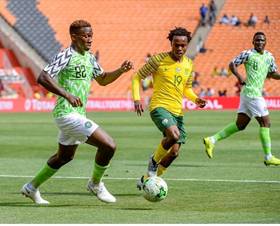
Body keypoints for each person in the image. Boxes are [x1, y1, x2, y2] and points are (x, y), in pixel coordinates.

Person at [20, 19, 133, 205]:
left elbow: (103, 79)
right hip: (66, 113)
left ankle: (31, 188)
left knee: (64, 156)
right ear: (74, 37)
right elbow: (43, 77)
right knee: (109, 145)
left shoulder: (89, 58)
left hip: (78, 114)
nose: (90, 39)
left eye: (91, 35)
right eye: (86, 35)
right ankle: (95, 184)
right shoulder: (66, 55)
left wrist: (121, 70)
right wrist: (67, 95)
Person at [131, 27, 206, 189]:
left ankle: (146, 180)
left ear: (187, 45)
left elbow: (186, 88)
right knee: (173, 135)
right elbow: (137, 77)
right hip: (159, 106)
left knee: (174, 153)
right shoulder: (158, 60)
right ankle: (153, 162)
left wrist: (196, 99)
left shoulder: (189, 64)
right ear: (171, 43)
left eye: (183, 45)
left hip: (177, 112)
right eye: (176, 45)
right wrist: (136, 99)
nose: (179, 48)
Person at [203, 32, 280, 166]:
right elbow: (232, 64)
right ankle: (268, 156)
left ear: (265, 42)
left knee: (240, 124)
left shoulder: (269, 57)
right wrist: (239, 77)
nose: (259, 42)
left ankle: (212, 140)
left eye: (262, 40)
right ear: (253, 42)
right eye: (257, 40)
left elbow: (272, 73)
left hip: (249, 94)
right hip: (252, 93)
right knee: (265, 123)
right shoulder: (248, 54)